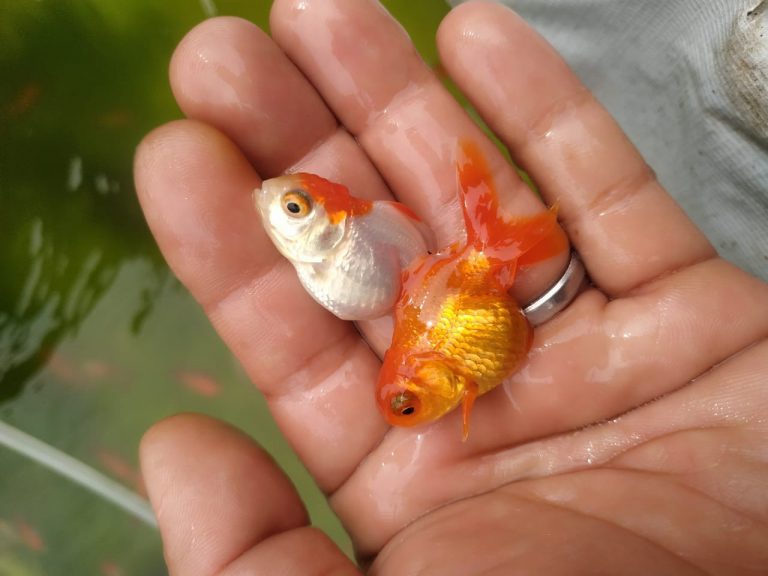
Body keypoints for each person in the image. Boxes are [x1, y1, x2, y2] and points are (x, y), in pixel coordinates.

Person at [133, 0, 768, 573]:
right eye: (407, 403)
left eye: (406, 405)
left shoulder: (432, 344)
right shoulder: (431, 347)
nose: (409, 414)